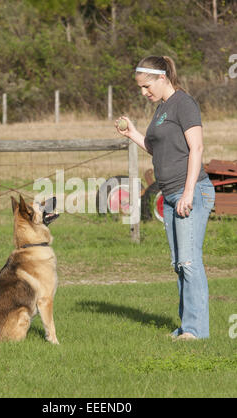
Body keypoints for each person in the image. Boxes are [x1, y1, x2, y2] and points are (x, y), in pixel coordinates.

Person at [116, 55, 215, 340]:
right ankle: (187, 326)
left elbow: (196, 149)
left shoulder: (184, 104)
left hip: (192, 192)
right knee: (178, 263)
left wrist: (187, 192)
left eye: (147, 86)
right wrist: (133, 133)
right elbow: (157, 149)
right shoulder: (162, 109)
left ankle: (196, 331)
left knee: (189, 262)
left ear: (162, 77)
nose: (143, 92)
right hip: (171, 195)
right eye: (140, 88)